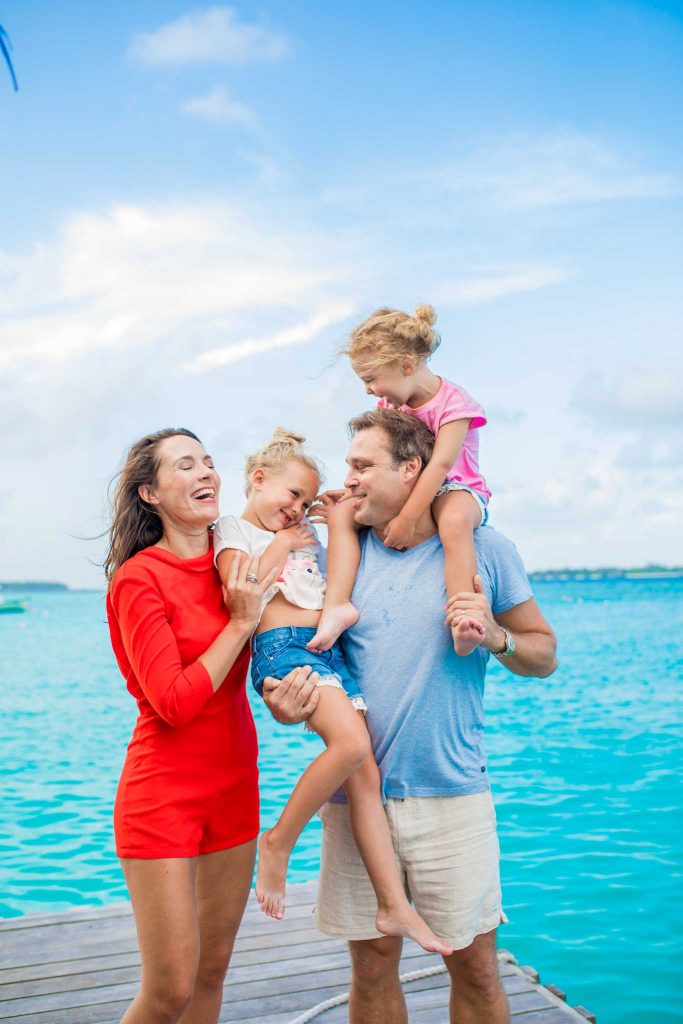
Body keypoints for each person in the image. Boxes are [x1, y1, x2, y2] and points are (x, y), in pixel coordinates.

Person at [263, 408, 558, 1024]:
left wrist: (497, 638)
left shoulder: (485, 549)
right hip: (355, 800)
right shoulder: (334, 556)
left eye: (363, 465)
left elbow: (543, 654)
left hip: (451, 796)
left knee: (476, 971)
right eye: (349, 465)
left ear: (411, 470)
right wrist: (287, 708)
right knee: (369, 969)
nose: (349, 479)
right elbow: (305, 664)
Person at [212, 427, 452, 956]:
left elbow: (337, 564)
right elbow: (241, 590)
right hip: (283, 648)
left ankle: (392, 905)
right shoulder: (235, 529)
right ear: (257, 481)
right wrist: (282, 542)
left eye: (304, 500)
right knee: (352, 747)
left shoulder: (302, 533)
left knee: (363, 776)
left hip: (328, 652)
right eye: (290, 495)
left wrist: (336, 514)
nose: (297, 508)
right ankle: (276, 841)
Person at [105, 428, 278, 1024]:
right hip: (163, 796)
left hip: (234, 787)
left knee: (211, 973)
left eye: (208, 461)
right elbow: (174, 703)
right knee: (170, 988)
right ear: (150, 493)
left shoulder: (238, 564)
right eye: (186, 466)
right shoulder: (139, 579)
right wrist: (238, 625)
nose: (206, 473)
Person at [310, 304, 490, 658]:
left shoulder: (454, 405)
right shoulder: (387, 407)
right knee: (343, 515)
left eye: (371, 378)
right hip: (412, 488)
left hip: (459, 489)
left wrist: (406, 519)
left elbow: (439, 467)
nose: (368, 389)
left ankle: (463, 618)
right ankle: (337, 604)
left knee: (452, 520)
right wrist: (355, 489)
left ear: (407, 365)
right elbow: (380, 459)